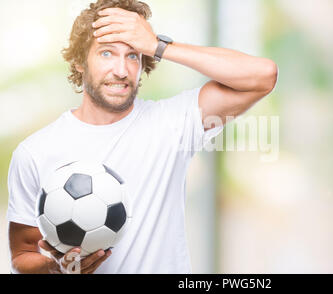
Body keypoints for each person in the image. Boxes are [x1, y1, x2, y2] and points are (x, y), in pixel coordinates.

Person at [7, 0, 278, 274]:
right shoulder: (35, 152)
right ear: (79, 62)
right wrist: (57, 269)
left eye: (133, 55)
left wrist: (158, 46)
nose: (122, 70)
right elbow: (22, 256)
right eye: (106, 53)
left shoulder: (172, 124)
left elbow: (263, 76)